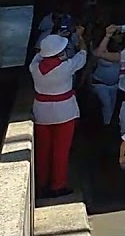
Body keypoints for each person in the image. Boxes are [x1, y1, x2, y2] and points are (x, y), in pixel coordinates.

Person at [32, 31, 88, 197]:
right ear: (60, 53)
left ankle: (41, 183)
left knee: (43, 150)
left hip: (42, 112)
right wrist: (80, 38)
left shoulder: (34, 67)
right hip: (64, 112)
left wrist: (52, 39)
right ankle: (58, 184)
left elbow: (37, 55)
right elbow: (83, 54)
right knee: (61, 150)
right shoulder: (66, 67)